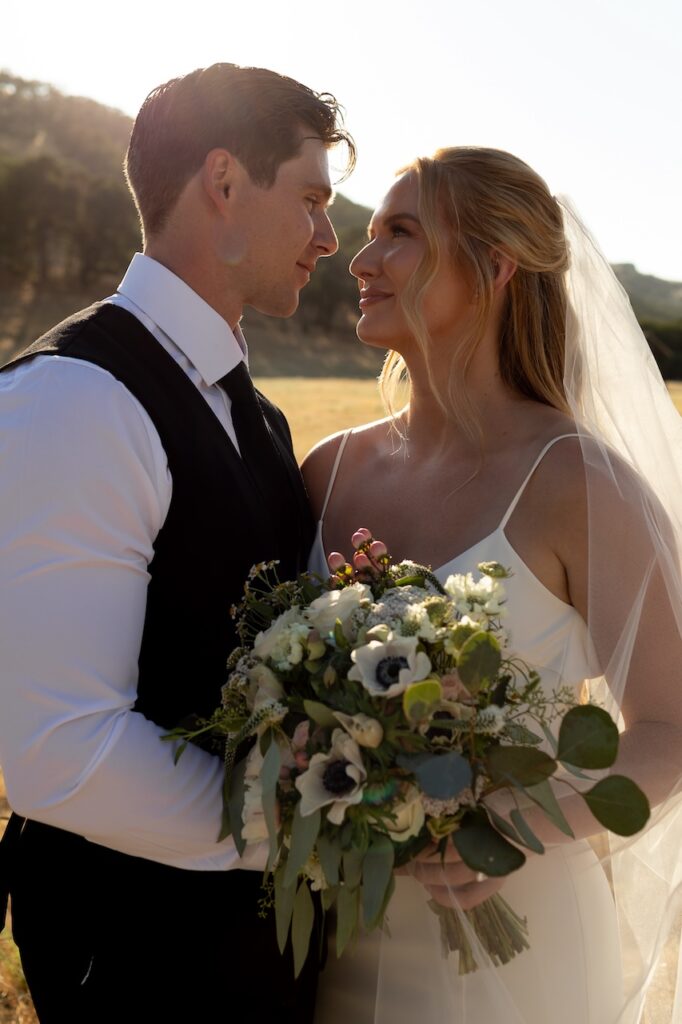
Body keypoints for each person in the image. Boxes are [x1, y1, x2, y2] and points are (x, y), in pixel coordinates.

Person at [0, 63, 353, 1023]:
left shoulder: (263, 419)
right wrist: (313, 817)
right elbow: (61, 751)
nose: (330, 237)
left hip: (258, 952)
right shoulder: (76, 399)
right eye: (314, 199)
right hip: (133, 958)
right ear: (225, 183)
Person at [303, 148, 682, 1023]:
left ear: (495, 266)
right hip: (329, 934)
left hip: (512, 948)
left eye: (399, 234)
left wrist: (509, 828)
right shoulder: (328, 471)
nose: (360, 261)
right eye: (369, 236)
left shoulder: (581, 483)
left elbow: (669, 729)